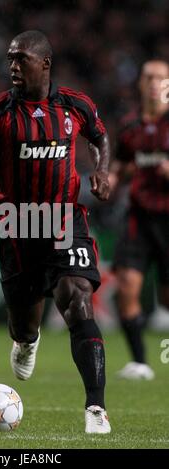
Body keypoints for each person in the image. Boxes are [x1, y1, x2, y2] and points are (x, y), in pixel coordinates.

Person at [0, 30, 111, 433]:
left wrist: (101, 169)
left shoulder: (75, 105)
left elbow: (100, 137)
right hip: (16, 224)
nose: (12, 66)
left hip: (65, 218)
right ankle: (27, 340)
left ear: (44, 63)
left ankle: (95, 409)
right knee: (25, 324)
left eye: (21, 58)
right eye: (10, 59)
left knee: (78, 300)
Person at [111, 59, 169, 380]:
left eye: (160, 78)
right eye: (148, 77)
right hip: (139, 219)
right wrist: (110, 178)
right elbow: (121, 163)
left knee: (165, 298)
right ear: (140, 83)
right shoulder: (130, 125)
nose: (154, 83)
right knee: (127, 286)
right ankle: (140, 363)